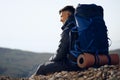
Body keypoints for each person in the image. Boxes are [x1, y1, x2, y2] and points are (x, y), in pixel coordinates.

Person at [30, 6, 80, 78]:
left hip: (72, 64)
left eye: (62, 16)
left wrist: (51, 59)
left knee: (42, 68)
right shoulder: (79, 27)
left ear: (69, 15)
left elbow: (60, 54)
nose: (60, 20)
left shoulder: (68, 30)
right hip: (82, 61)